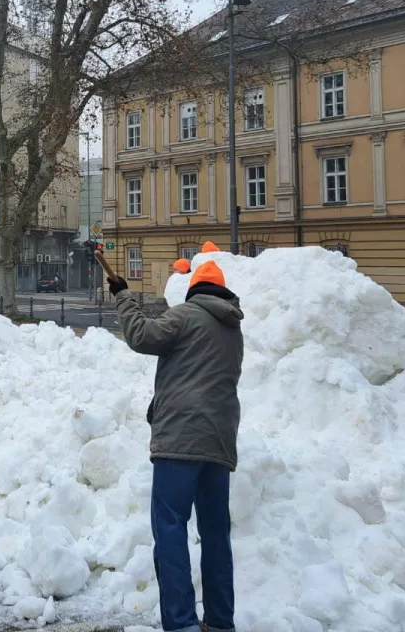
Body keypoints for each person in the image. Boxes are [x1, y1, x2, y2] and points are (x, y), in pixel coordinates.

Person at [110, 257, 243, 632]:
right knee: (216, 534)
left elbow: (142, 336)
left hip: (180, 440)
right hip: (219, 442)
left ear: (194, 289)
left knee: (170, 528)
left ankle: (182, 623)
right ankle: (219, 622)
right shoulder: (233, 328)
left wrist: (122, 296)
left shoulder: (187, 315)